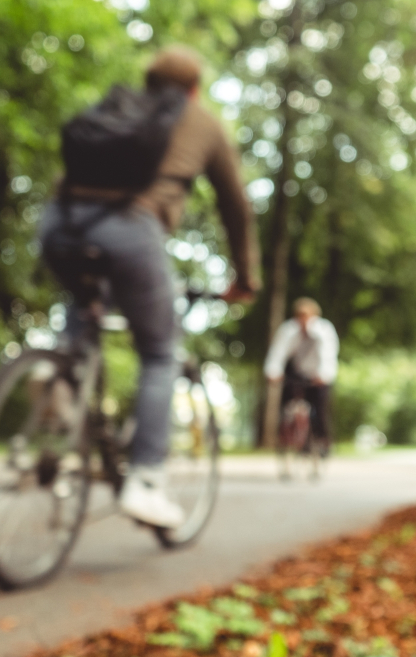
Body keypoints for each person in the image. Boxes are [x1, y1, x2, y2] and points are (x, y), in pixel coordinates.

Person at [40, 47, 259, 527]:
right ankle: (145, 481)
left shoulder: (119, 105)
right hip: (129, 230)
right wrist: (246, 277)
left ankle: (60, 375)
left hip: (60, 222)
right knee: (161, 352)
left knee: (86, 305)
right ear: (194, 88)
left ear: (149, 81)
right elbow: (235, 205)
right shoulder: (201, 121)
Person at [264, 298, 339, 455]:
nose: (303, 319)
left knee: (320, 408)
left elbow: (328, 354)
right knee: (287, 400)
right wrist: (273, 372)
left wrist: (324, 375)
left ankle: (322, 440)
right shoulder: (288, 330)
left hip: (318, 374)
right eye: (300, 315)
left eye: (306, 315)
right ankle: (286, 436)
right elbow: (278, 352)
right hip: (298, 372)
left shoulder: (324, 330)